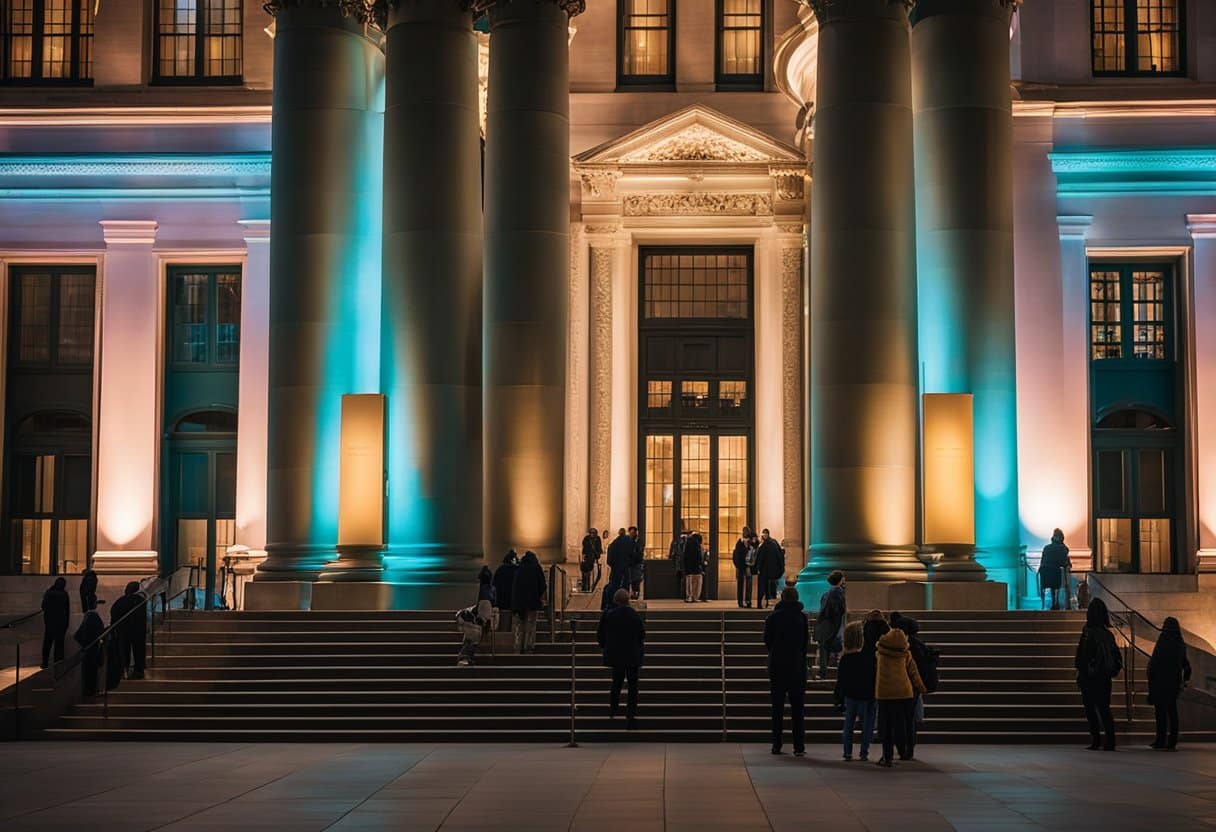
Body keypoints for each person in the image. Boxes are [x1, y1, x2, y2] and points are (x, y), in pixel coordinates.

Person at [764, 585, 809, 756]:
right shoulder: (802, 617)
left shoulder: (773, 617)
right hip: (797, 666)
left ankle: (776, 744)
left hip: (778, 666)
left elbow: (767, 640)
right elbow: (805, 642)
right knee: (798, 709)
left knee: (777, 708)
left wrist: (775, 652)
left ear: (782, 598)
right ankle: (799, 746)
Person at [874, 625, 926, 768]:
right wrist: (921, 687)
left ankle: (887, 756)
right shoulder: (906, 654)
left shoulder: (880, 653)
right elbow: (913, 672)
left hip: (884, 693)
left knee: (886, 726)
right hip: (904, 692)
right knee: (901, 724)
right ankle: (903, 752)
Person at [1074, 597, 1121, 751]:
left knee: (1090, 709)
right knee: (1104, 709)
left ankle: (1096, 740)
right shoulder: (1108, 635)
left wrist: (1080, 672)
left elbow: (1082, 654)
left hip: (1089, 676)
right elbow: (1116, 656)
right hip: (1104, 677)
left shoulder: (1088, 632)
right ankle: (1110, 740)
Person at [891, 612, 939, 761]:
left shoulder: (901, 645)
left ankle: (902, 747)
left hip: (901, 685)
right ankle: (909, 748)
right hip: (914, 687)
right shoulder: (919, 645)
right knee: (909, 718)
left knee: (900, 718)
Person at [597, 588, 645, 728]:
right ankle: (631, 713)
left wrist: (605, 646)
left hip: (616, 654)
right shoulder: (634, 615)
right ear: (627, 600)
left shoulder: (609, 615)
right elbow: (641, 634)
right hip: (632, 655)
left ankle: (613, 708)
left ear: (615, 600)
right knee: (633, 685)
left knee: (616, 683)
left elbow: (600, 634)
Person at [834, 621, 876, 761]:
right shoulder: (868, 657)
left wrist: (839, 696)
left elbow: (841, 680)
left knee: (848, 723)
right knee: (867, 725)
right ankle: (864, 752)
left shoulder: (845, 658)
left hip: (850, 695)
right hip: (866, 695)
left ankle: (847, 752)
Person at [1147, 616, 1191, 750]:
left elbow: (1155, 661)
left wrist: (1150, 676)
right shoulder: (1180, 643)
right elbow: (1186, 665)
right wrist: (1185, 679)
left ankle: (1160, 740)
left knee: (1160, 712)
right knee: (1172, 711)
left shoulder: (1163, 641)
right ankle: (1172, 741)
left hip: (1160, 681)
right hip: (1174, 682)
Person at [457, 567, 498, 666]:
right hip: (478, 620)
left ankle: (465, 657)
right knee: (473, 639)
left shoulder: (481, 590)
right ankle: (466, 657)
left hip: (473, 619)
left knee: (471, 639)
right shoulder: (492, 590)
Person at [109, 580, 148, 680]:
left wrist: (113, 627)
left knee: (124, 650)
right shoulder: (141, 601)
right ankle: (139, 671)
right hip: (138, 630)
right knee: (138, 650)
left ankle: (124, 670)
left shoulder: (121, 600)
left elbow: (114, 613)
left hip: (123, 630)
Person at [511, 550, 547, 654]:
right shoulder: (536, 568)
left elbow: (515, 587)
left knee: (520, 625)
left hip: (520, 603)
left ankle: (518, 646)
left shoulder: (519, 569)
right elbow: (542, 585)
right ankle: (528, 646)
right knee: (531, 624)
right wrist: (540, 597)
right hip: (533, 602)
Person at [814, 570, 847, 680]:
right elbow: (838, 610)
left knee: (824, 650)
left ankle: (823, 673)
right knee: (827, 649)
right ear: (840, 579)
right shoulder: (838, 592)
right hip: (831, 626)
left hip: (824, 626)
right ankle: (825, 673)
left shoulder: (827, 593)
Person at [73, 597, 105, 696]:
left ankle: (89, 690)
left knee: (88, 670)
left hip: (88, 648)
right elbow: (100, 631)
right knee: (92, 671)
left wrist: (85, 645)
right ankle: (92, 690)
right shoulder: (93, 616)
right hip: (93, 648)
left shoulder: (87, 616)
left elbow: (77, 635)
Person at [40, 577, 71, 668]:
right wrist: (66, 624)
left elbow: (43, 606)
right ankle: (58, 663)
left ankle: (45, 662)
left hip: (50, 622)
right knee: (59, 644)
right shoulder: (64, 594)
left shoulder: (49, 592)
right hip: (61, 623)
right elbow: (67, 610)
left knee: (47, 643)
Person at [1040, 529, 1071, 611]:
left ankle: (1049, 602)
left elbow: (1042, 561)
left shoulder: (1046, 548)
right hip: (1055, 575)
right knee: (1059, 577)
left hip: (1045, 576)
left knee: (1053, 576)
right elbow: (1064, 563)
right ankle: (1060, 602)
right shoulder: (1062, 548)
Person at [755, 529, 784, 609]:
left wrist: (758, 568)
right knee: (771, 586)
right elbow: (780, 555)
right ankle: (769, 602)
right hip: (772, 570)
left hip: (764, 570)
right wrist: (781, 568)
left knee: (762, 587)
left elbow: (760, 557)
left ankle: (761, 603)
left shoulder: (764, 544)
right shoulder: (774, 543)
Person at [493, 550, 519, 631]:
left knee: (503, 622)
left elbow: (494, 585)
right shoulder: (517, 570)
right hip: (513, 601)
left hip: (501, 600)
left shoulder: (500, 570)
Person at [732, 526, 754, 608]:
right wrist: (737, 565)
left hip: (747, 565)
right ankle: (741, 601)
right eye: (744, 531)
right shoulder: (740, 542)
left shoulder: (751, 542)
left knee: (748, 584)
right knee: (741, 583)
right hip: (741, 565)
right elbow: (736, 554)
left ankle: (748, 600)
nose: (745, 533)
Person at [607, 528, 633, 592]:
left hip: (616, 568)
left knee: (615, 584)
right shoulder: (629, 541)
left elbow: (609, 560)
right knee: (625, 584)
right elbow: (632, 553)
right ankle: (625, 595)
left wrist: (612, 565)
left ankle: (615, 595)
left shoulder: (614, 543)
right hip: (625, 566)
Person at [682, 532, 705, 603]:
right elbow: (699, 557)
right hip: (696, 567)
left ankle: (689, 596)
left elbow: (684, 556)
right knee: (696, 582)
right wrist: (701, 564)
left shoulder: (687, 543)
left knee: (689, 581)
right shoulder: (697, 545)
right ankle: (695, 597)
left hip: (688, 567)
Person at [627, 526, 645, 599]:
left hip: (637, 563)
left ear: (636, 533)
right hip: (630, 564)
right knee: (631, 579)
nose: (631, 535)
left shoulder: (639, 542)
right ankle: (632, 593)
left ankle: (636, 594)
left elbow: (640, 552)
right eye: (630, 533)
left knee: (636, 580)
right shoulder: (629, 541)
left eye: (633, 533)